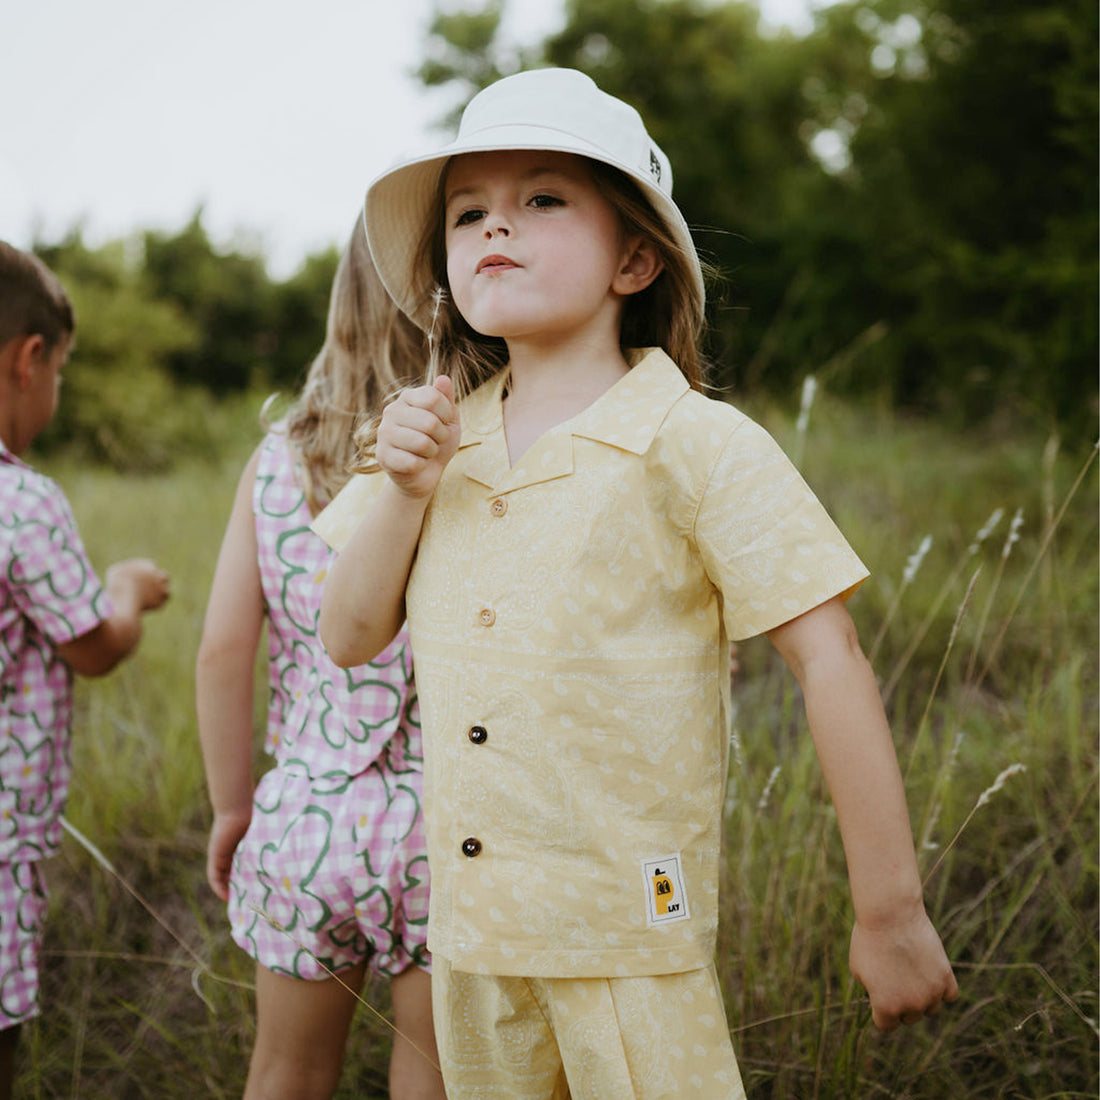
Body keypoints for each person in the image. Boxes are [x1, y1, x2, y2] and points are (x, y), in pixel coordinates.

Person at [315, 68, 958, 1099]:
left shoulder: (692, 440)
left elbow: (826, 654)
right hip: (474, 942)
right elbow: (345, 637)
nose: (495, 226)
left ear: (634, 257)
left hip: (627, 935)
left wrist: (887, 908)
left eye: (541, 199)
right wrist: (402, 486)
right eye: (468, 210)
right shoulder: (435, 437)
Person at [195, 215, 445, 1100]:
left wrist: (233, 808)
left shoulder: (281, 459)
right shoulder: (469, 449)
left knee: (287, 1071)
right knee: (432, 1074)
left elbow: (225, 650)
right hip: (450, 821)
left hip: (305, 812)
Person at [0, 241, 170, 1098]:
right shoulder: (22, 502)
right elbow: (93, 644)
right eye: (60, 369)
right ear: (29, 360)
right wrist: (127, 590)